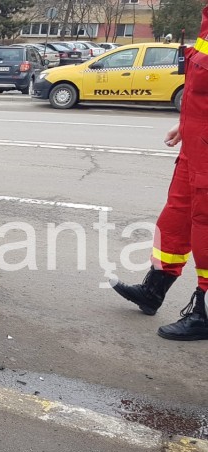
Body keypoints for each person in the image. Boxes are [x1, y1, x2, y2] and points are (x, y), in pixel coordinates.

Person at [111, 3, 208, 341]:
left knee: (206, 233)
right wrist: (185, 125)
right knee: (173, 223)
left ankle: (204, 313)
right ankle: (154, 290)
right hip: (195, 147)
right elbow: (200, 85)